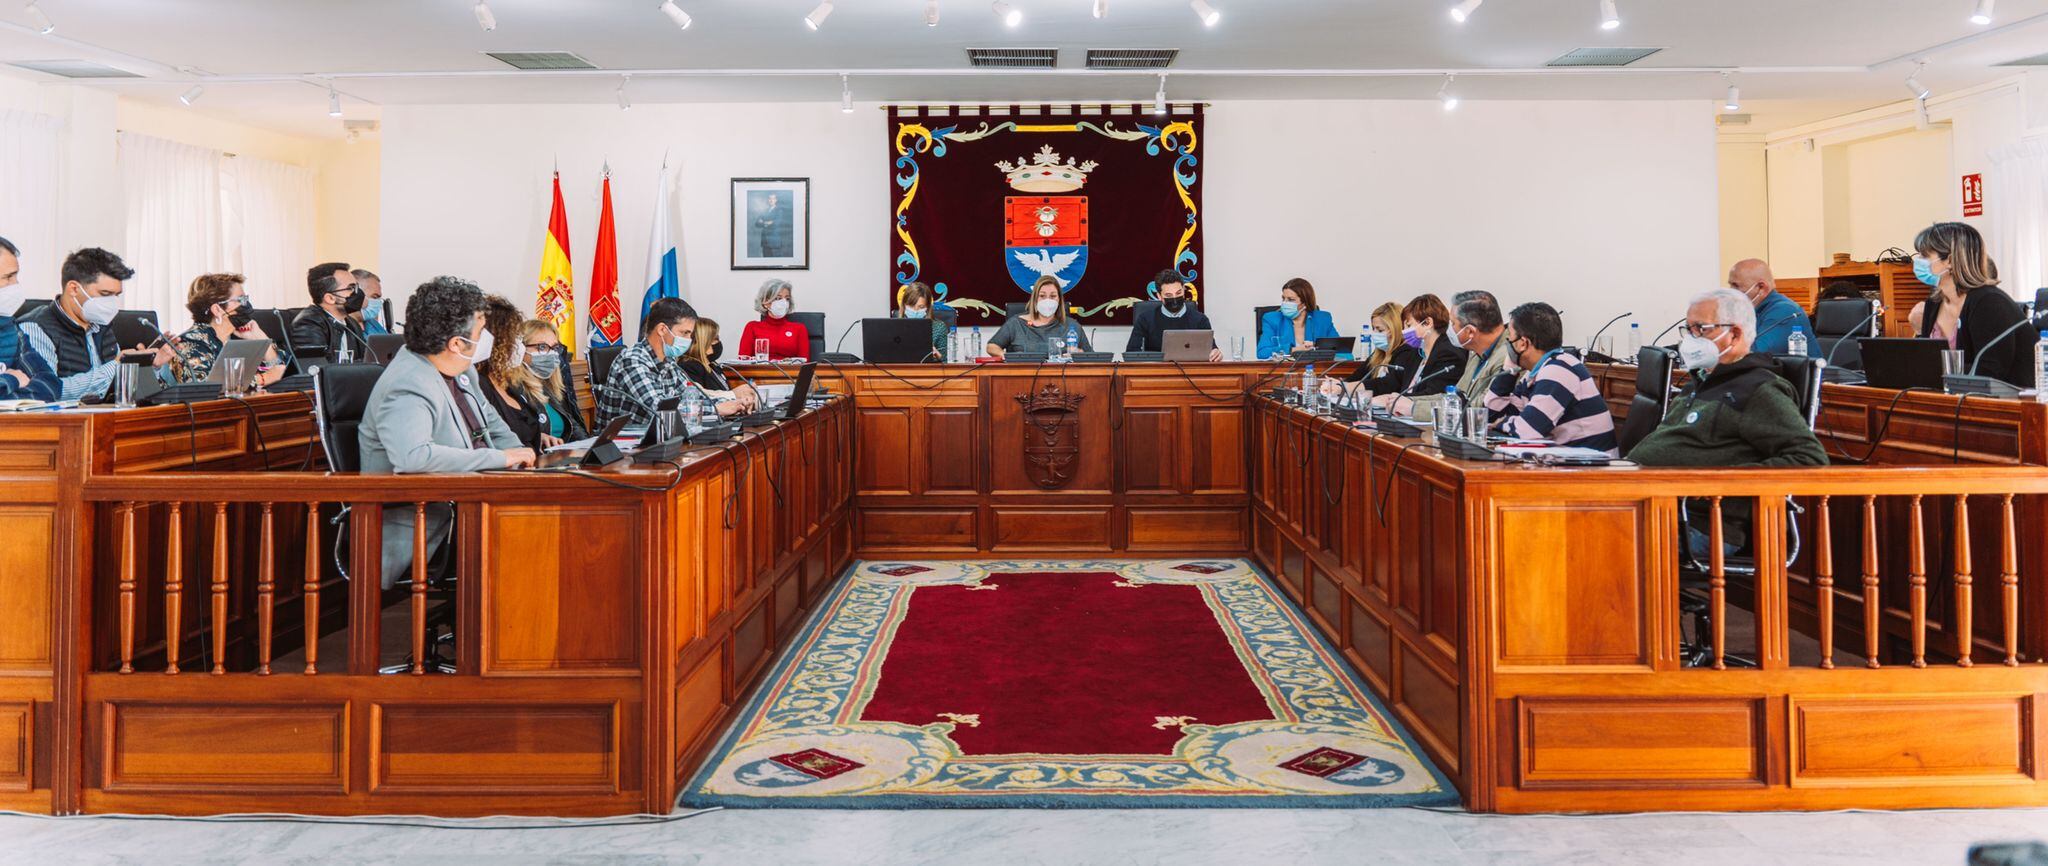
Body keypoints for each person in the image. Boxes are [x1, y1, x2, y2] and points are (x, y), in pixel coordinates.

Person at [356, 276, 534, 588]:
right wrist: (502, 459)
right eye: (481, 332)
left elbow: (494, 426)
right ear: (456, 343)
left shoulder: (460, 371)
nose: (486, 339)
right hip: (430, 523)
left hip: (470, 506)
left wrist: (522, 459)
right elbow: (413, 457)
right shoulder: (408, 381)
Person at [19, 247, 169, 401]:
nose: (111, 303)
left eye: (116, 295)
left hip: (107, 418)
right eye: (105, 294)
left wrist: (150, 366)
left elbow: (120, 392)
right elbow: (47, 390)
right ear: (74, 289)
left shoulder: (102, 325)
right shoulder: (35, 328)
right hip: (65, 423)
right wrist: (116, 367)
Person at [1906, 222, 2035, 387]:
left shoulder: (1989, 302)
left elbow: (1991, 372)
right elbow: (1927, 363)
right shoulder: (1934, 302)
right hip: (1953, 398)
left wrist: (1941, 374)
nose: (1918, 262)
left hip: (2009, 404)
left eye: (1924, 256)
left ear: (1950, 261)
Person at [1482, 302, 1618, 455]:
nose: (1508, 345)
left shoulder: (1559, 370)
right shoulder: (1537, 372)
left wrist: (1501, 424)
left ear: (1522, 343)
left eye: (1510, 338)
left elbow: (1527, 431)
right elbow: (1491, 415)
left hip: (1591, 471)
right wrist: (1508, 370)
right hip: (1566, 463)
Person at [597, 297, 745, 427]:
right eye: (684, 333)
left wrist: (733, 404)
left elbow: (693, 396)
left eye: (690, 334)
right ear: (662, 330)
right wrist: (717, 409)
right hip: (621, 448)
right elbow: (658, 410)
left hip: (656, 439)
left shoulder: (669, 363)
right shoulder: (632, 361)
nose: (688, 340)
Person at [475, 295, 564, 452]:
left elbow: (522, 432)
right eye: (515, 338)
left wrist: (540, 438)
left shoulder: (508, 384)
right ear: (497, 343)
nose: (520, 346)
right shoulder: (480, 385)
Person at [166, 273, 287, 387]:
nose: (247, 304)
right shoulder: (190, 343)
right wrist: (262, 379)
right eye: (241, 300)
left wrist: (262, 339)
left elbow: (283, 373)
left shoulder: (240, 337)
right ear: (217, 310)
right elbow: (201, 387)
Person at [0, 236, 60, 403]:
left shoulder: (11, 330)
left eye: (16, 276)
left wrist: (8, 394)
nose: (16, 284)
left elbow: (51, 385)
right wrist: (14, 380)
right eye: (8, 277)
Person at [1324, 301, 1420, 403]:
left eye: (1380, 330)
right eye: (1373, 328)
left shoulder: (1406, 352)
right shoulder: (1378, 354)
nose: (1374, 334)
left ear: (1395, 330)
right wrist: (1337, 384)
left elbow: (1387, 384)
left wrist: (1345, 387)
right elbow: (1357, 376)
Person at [516, 318, 591, 446]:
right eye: (542, 347)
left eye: (554, 348)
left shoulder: (549, 386)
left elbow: (573, 427)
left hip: (564, 458)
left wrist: (590, 447)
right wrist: (537, 438)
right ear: (521, 350)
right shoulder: (513, 389)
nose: (550, 353)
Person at [986, 276, 1093, 359]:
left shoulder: (1072, 326)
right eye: (1042, 296)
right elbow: (991, 346)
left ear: (1059, 299)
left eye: (1053, 296)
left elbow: (1091, 356)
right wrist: (1004, 355)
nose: (1048, 300)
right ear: (1035, 299)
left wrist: (1080, 354)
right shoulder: (1016, 323)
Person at [1126, 270, 1222, 361]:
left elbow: (1211, 350)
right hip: (1156, 374)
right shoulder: (1145, 319)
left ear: (1184, 290)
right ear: (1159, 296)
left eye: (1178, 293)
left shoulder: (1200, 320)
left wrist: (1215, 353)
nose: (1175, 298)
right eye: (1169, 295)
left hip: (1191, 374)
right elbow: (1132, 354)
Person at [1727, 259, 1812, 356]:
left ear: (1761, 287)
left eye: (1736, 286)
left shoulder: (1785, 311)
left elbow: (1755, 354)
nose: (1731, 291)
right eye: (1730, 285)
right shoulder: (1750, 311)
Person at [290, 262, 370, 362]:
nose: (357, 293)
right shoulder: (308, 324)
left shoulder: (352, 324)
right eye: (351, 288)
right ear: (330, 298)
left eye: (357, 287)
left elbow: (364, 361)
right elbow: (318, 370)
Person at [678, 318, 763, 412]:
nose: (719, 343)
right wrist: (734, 394)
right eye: (715, 339)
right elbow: (702, 397)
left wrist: (745, 398)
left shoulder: (714, 366)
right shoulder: (689, 367)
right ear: (704, 342)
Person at [1256, 277, 1340, 359]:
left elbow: (1340, 350)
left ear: (1305, 303)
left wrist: (1316, 349)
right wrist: (1294, 350)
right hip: (1283, 370)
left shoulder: (1323, 319)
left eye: (1290, 299)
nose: (1285, 303)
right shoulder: (1272, 319)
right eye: (1283, 298)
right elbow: (1262, 352)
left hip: (1316, 370)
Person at [737, 279, 809, 361]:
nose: (784, 302)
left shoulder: (799, 329)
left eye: (787, 299)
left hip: (789, 372)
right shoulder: (752, 327)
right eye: (778, 298)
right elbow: (743, 361)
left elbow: (804, 362)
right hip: (759, 371)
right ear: (765, 302)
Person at [896, 282, 951, 360]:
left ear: (928, 307)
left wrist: (938, 358)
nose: (915, 310)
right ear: (904, 305)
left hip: (928, 371)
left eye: (921, 307)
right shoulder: (895, 327)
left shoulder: (939, 327)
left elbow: (945, 363)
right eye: (911, 306)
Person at [353, 268, 394, 335]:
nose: (378, 302)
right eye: (374, 297)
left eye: (379, 298)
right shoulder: (341, 327)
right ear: (356, 295)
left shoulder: (372, 324)